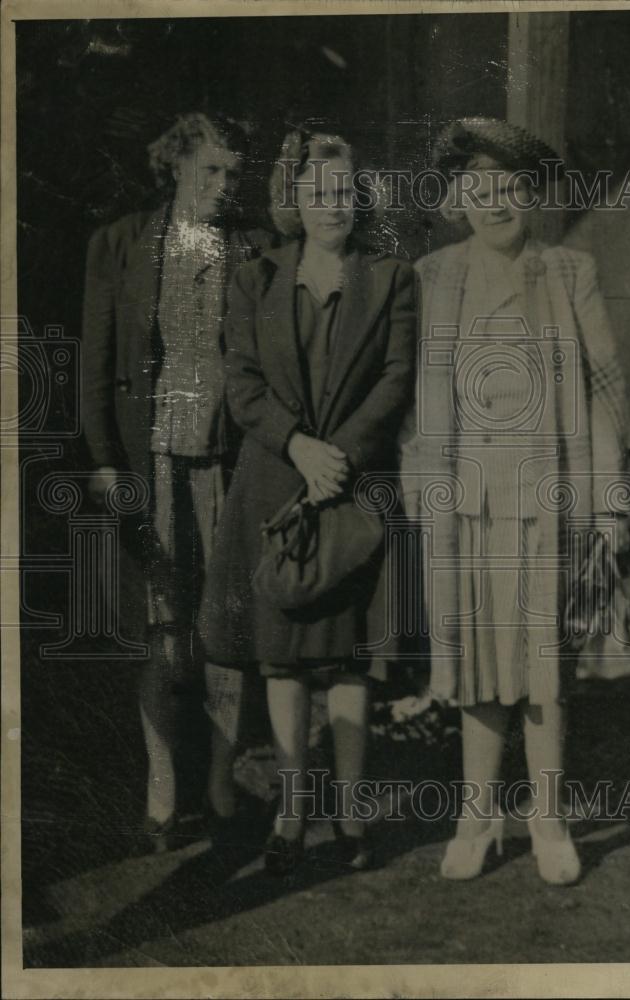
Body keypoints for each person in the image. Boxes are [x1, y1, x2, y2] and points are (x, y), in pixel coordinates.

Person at [400, 117, 629, 883]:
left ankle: (551, 820)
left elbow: (603, 394)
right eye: (480, 189)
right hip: (465, 501)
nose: (496, 202)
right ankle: (478, 817)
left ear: (531, 195)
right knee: (469, 663)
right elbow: (412, 402)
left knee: (542, 670)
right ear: (458, 198)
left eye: (510, 189)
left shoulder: (568, 272)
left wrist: (609, 506)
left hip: (548, 498)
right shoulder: (433, 277)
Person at [199, 126, 416, 873]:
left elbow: (395, 379)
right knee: (284, 659)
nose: (332, 206)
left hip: (354, 488)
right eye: (317, 192)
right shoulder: (255, 277)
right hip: (275, 480)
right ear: (294, 198)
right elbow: (242, 383)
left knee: (349, 658)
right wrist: (298, 446)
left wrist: (341, 456)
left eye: (344, 192)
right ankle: (292, 812)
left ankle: (353, 811)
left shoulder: (391, 278)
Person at [81, 112, 271, 850]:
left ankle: (221, 785)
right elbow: (97, 365)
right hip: (150, 461)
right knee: (162, 627)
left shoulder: (251, 245)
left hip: (229, 461)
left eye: (232, 173)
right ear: (175, 169)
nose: (224, 187)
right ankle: (162, 792)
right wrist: (102, 460)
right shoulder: (121, 244)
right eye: (209, 172)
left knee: (225, 625)